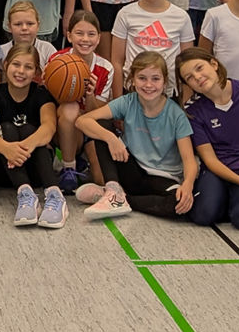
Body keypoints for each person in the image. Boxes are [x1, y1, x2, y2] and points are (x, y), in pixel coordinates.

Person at [77, 52, 198, 220]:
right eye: (142, 78)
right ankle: (113, 189)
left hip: (163, 177)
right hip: (132, 170)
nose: (149, 85)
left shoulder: (176, 114)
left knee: (178, 205)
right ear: (132, 80)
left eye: (155, 79)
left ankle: (119, 198)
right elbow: (82, 121)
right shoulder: (128, 101)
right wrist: (111, 138)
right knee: (102, 126)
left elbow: (189, 159)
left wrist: (188, 185)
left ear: (164, 81)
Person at [177, 47, 239, 230]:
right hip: (217, 169)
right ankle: (226, 195)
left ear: (214, 64)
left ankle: (237, 200)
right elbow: (209, 159)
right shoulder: (193, 111)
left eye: (199, 68)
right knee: (202, 215)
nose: (197, 77)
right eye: (189, 77)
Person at [0, 45, 63, 228]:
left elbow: (49, 127)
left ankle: (54, 194)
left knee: (29, 129)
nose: (21, 71)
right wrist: (7, 149)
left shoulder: (41, 94)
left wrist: (22, 148)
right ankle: (25, 195)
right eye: (16, 65)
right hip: (4, 172)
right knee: (7, 128)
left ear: (36, 71)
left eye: (28, 67)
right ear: (6, 64)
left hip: (37, 171)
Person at [110, 0, 195, 99]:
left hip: (168, 95)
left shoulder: (181, 17)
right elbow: (117, 62)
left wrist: (185, 103)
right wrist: (119, 104)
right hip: (132, 93)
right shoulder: (125, 14)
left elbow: (187, 64)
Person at [50, 11, 113, 191]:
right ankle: (68, 168)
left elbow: (98, 113)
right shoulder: (57, 60)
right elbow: (49, 102)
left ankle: (82, 162)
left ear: (99, 38)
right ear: (69, 35)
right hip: (62, 125)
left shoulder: (105, 68)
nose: (85, 39)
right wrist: (68, 90)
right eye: (79, 33)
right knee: (70, 107)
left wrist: (90, 95)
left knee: (101, 180)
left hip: (88, 127)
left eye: (91, 34)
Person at [0, 2, 56, 71]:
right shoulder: (1, 51)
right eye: (18, 24)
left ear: (38, 25)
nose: (24, 28)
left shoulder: (47, 49)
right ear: (9, 27)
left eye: (30, 24)